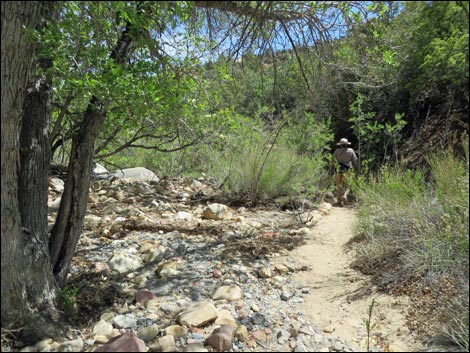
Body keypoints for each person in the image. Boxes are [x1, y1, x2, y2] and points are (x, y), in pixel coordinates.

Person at [332, 138, 358, 206]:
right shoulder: (351, 150)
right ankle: (345, 195)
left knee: (339, 185)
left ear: (340, 145)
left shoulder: (337, 151)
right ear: (347, 144)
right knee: (348, 185)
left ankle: (339, 201)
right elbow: (355, 160)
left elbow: (333, 160)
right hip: (348, 169)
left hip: (339, 169)